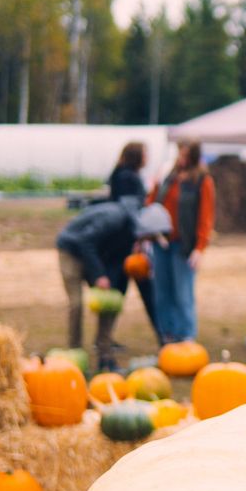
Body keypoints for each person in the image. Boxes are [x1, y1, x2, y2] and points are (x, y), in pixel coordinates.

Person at [56, 202, 172, 371]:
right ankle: (75, 356)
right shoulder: (115, 220)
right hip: (71, 250)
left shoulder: (132, 240)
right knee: (76, 303)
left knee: (111, 302)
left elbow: (138, 286)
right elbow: (85, 242)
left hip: (93, 255)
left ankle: (105, 356)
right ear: (145, 230)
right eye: (150, 238)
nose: (149, 242)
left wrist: (162, 337)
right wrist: (99, 275)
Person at [144, 140, 214, 344]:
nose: (181, 159)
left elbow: (206, 217)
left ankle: (186, 336)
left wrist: (200, 247)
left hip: (183, 245)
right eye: (179, 154)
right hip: (161, 241)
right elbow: (153, 202)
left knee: (183, 293)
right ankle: (167, 334)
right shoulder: (169, 175)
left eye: (185, 155)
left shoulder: (202, 180)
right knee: (162, 292)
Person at [104, 141, 160, 344]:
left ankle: (106, 337)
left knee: (119, 292)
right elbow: (130, 211)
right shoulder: (128, 178)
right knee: (145, 291)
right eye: (145, 154)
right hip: (127, 245)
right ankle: (162, 336)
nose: (148, 158)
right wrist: (139, 237)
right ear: (137, 156)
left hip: (120, 243)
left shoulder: (120, 175)